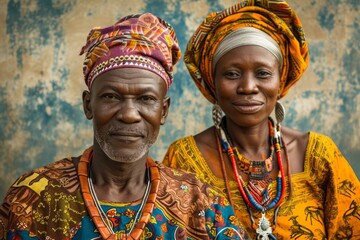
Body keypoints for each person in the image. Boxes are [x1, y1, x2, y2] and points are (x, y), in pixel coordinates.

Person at [0, 13, 250, 240]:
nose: (129, 115)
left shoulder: (202, 205)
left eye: (146, 99)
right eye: (111, 96)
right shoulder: (33, 197)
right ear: (88, 105)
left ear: (163, 111)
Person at [163, 1, 360, 239]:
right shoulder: (184, 158)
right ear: (213, 83)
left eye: (263, 73)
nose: (248, 87)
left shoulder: (320, 156)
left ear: (281, 80)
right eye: (232, 74)